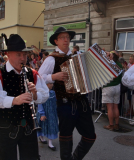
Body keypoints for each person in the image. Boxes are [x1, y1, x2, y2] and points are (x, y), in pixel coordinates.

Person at [0, 34, 49, 160]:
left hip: (29, 126)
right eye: (18, 55)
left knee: (31, 157)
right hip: (6, 126)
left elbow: (45, 94)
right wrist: (15, 100)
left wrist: (35, 94)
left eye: (24, 55)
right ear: (8, 55)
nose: (23, 58)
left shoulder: (32, 73)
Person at [39, 27, 96, 160]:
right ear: (56, 41)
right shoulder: (51, 59)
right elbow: (39, 76)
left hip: (82, 102)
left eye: (67, 37)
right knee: (66, 137)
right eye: (62, 37)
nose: (66, 40)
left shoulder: (77, 57)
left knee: (90, 136)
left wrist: (89, 84)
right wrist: (53, 76)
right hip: (64, 103)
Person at [103, 52, 123, 131]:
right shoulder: (119, 64)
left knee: (110, 107)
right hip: (117, 86)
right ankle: (117, 124)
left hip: (108, 87)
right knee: (115, 106)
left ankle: (111, 125)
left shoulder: (108, 64)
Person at [37, 83, 59, 151]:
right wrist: (42, 114)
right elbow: (40, 104)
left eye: (52, 83)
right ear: (45, 85)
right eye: (50, 84)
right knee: (42, 126)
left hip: (52, 113)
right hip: (44, 112)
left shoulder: (53, 93)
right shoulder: (41, 94)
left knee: (51, 126)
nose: (52, 85)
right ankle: (41, 137)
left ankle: (50, 143)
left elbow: (56, 102)